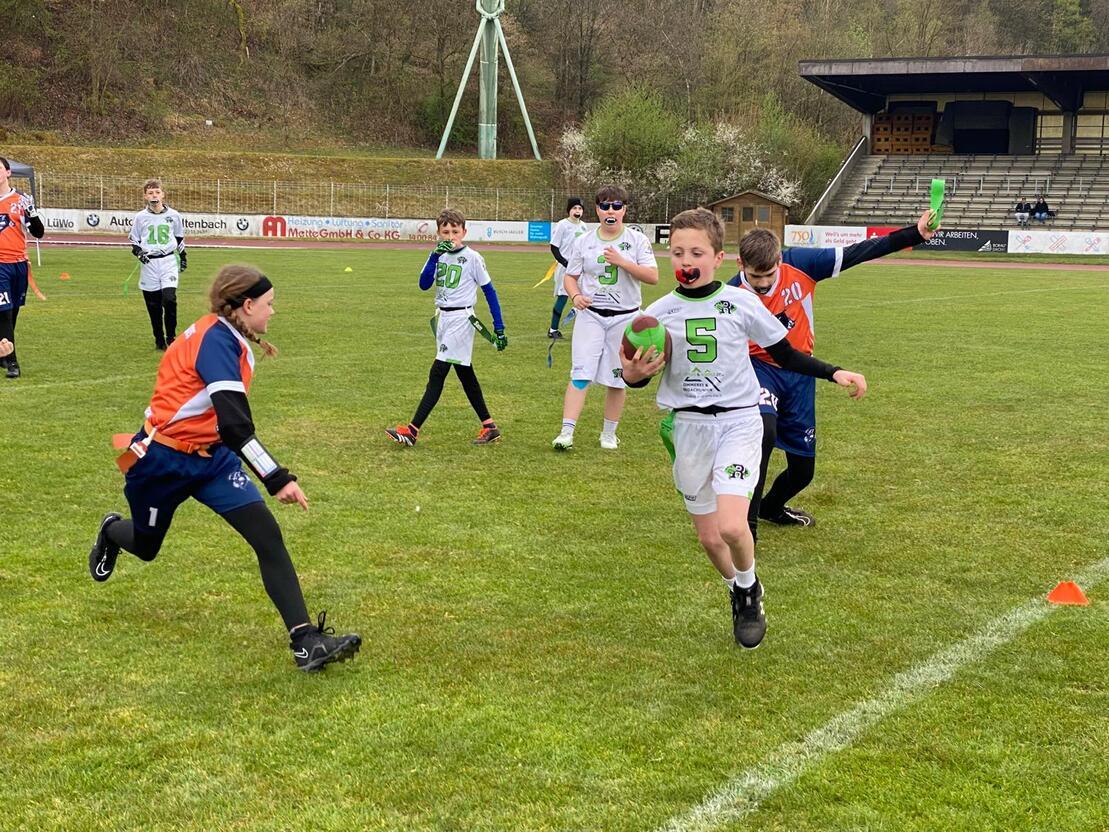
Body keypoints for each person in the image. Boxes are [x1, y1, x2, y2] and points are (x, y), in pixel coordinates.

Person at [88, 264, 361, 672]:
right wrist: (276, 477)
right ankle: (112, 530)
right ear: (246, 305)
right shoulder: (215, 341)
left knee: (267, 536)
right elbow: (235, 425)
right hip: (163, 460)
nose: (274, 312)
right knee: (145, 547)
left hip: (212, 461)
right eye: (269, 304)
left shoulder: (229, 336)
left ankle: (306, 642)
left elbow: (225, 429)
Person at [621, 208, 867, 648]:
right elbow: (633, 377)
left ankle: (749, 590)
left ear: (719, 258)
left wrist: (835, 372)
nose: (685, 261)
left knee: (734, 528)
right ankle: (739, 587)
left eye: (696, 251)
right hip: (690, 430)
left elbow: (787, 356)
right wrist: (633, 374)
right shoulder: (657, 314)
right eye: (677, 252)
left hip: (738, 422)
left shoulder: (741, 302)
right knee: (711, 540)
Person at [727, 210, 934, 540]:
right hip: (758, 370)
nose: (764, 284)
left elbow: (859, 252)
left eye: (769, 274)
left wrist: (914, 234)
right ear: (740, 265)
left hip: (801, 372)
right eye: (755, 277)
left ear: (780, 260)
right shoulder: (729, 295)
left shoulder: (803, 264)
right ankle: (745, 533)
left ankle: (770, 507)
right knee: (762, 435)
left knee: (803, 471)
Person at [386, 208, 507, 447]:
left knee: (438, 372)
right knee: (465, 373)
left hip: (462, 319)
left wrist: (499, 326)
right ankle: (489, 425)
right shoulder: (437, 255)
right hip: (443, 318)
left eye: (455, 231)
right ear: (438, 233)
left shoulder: (472, 257)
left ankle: (412, 430)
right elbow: (423, 284)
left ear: (464, 232)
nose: (450, 236)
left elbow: (489, 292)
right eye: (445, 232)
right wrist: (433, 257)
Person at [552, 186, 658, 451]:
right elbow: (570, 276)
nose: (611, 211)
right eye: (605, 206)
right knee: (580, 372)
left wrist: (623, 262)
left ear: (625, 210)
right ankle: (566, 432)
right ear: (597, 210)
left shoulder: (636, 240)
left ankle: (609, 433)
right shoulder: (584, 240)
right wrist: (575, 296)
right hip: (591, 316)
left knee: (617, 377)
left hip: (625, 318)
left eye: (617, 206)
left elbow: (652, 277)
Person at [0, 156, 46, 379]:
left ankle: (2, 353)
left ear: (8, 173)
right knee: (4, 314)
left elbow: (38, 232)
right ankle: (12, 362)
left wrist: (32, 212)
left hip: (18, 265)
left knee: (13, 313)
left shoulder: (21, 200)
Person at [130, 179, 186, 350]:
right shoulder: (140, 217)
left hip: (168, 261)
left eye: (157, 192)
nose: (154, 195)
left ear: (163, 194)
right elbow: (135, 241)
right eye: (150, 193)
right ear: (145, 196)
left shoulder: (174, 215)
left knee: (169, 300)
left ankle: (171, 337)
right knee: (153, 306)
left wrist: (183, 256)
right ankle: (159, 339)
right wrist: (139, 253)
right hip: (149, 265)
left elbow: (179, 238)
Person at [547, 197, 588, 339]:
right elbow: (554, 247)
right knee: (563, 298)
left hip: (581, 269)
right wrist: (565, 263)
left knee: (585, 297)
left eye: (580, 208)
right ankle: (553, 329)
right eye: (575, 208)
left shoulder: (583, 226)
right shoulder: (562, 225)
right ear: (569, 210)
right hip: (565, 269)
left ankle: (583, 328)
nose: (577, 211)